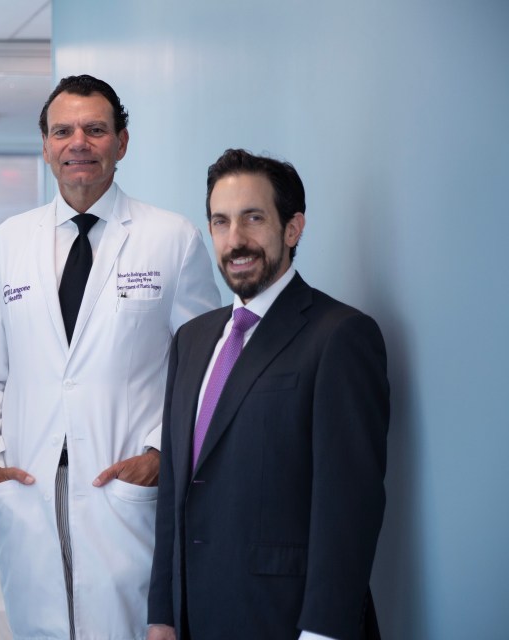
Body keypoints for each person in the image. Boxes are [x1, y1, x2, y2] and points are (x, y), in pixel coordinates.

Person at [0, 74, 221, 640]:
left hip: (122, 480)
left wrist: (160, 452)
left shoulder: (171, 239)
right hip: (32, 481)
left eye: (95, 129)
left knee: (124, 624)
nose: (77, 142)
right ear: (45, 146)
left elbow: (202, 370)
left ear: (122, 142)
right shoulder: (7, 242)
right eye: (62, 131)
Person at [147, 149, 390, 640]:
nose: (235, 240)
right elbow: (174, 491)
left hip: (286, 621)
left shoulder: (340, 336)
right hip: (196, 617)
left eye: (253, 219)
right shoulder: (191, 341)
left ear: (293, 228)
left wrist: (322, 632)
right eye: (221, 222)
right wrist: (162, 614)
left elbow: (349, 508)